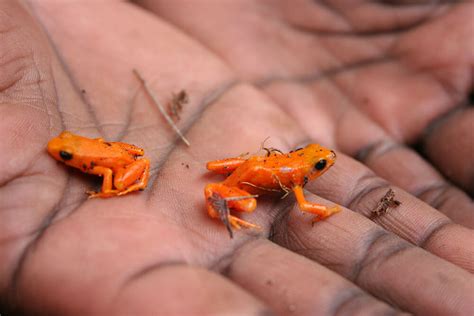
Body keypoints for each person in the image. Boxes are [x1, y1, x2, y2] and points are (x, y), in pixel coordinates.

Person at [1, 1, 473, 314]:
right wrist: (318, 208)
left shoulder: (293, 174)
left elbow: (299, 197)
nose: (319, 166)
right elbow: (306, 207)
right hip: (241, 181)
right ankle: (234, 212)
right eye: (318, 165)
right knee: (232, 197)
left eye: (317, 163)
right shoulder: (298, 183)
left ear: (302, 163)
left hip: (245, 170)